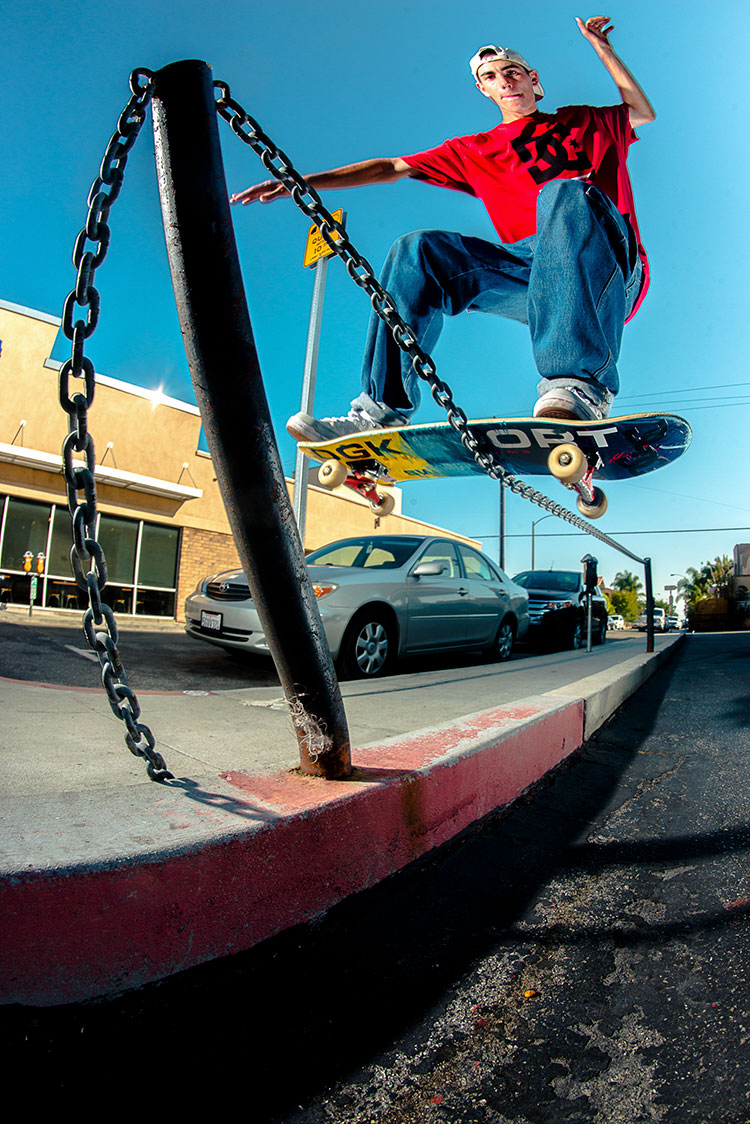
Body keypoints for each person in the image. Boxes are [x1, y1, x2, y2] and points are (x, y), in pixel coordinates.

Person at [232, 15, 655, 441]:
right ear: (483, 90)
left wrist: (602, 47)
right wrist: (298, 180)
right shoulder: (474, 150)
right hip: (535, 276)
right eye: (492, 77)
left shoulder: (586, 121)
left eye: (512, 73)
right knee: (416, 250)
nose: (505, 82)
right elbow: (390, 167)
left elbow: (641, 111)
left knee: (563, 195)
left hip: (611, 267)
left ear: (532, 78)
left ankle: (577, 387)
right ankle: (381, 412)